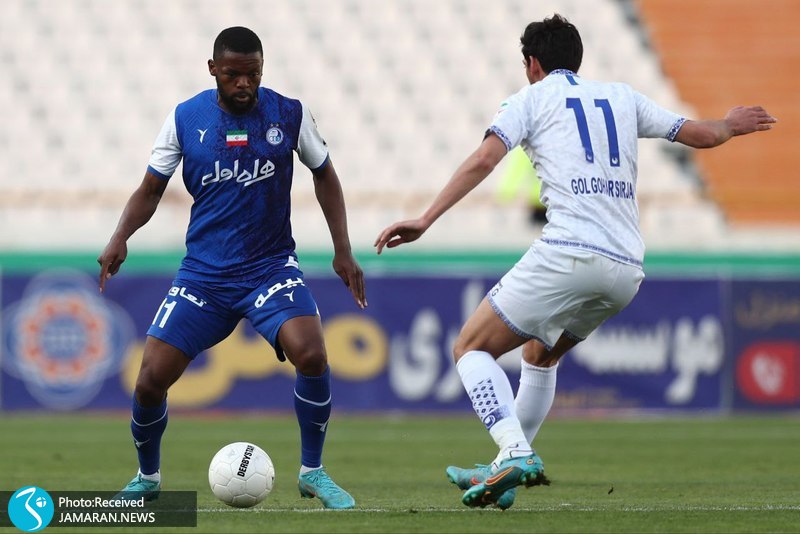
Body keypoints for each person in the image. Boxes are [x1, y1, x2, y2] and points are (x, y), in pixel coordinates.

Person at [374, 14, 775, 510]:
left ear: (532, 64)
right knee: (540, 355)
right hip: (626, 269)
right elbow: (701, 136)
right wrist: (730, 124)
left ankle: (514, 451)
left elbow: (484, 159)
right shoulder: (622, 97)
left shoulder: (530, 99)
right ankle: (506, 470)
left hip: (570, 252)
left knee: (470, 348)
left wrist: (425, 219)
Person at [98, 26, 367, 510]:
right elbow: (150, 189)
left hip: (270, 267)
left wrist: (342, 250)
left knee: (311, 353)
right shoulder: (185, 118)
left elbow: (325, 174)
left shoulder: (289, 113)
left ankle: (313, 472)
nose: (244, 84)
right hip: (205, 275)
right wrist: (120, 237)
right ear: (213, 70)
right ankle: (147, 478)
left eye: (253, 74)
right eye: (233, 74)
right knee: (150, 380)